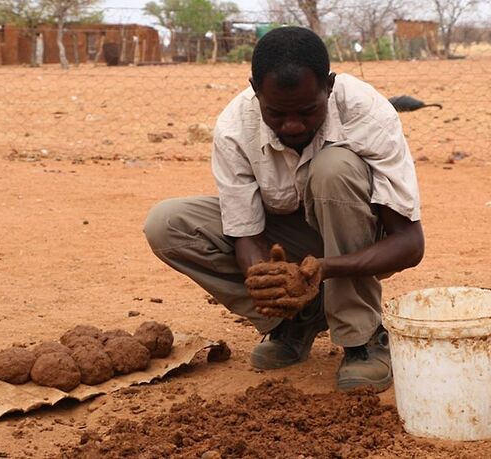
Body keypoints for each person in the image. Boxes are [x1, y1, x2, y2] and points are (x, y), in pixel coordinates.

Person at [144, 26, 424, 392]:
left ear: (329, 85)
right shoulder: (234, 127)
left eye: (308, 111)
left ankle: (363, 339)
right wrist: (275, 285)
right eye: (275, 113)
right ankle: (296, 319)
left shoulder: (368, 114)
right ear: (255, 90)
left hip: (358, 239)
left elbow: (409, 243)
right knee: (167, 225)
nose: (292, 125)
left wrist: (323, 269)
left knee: (333, 167)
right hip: (292, 239)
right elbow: (246, 234)